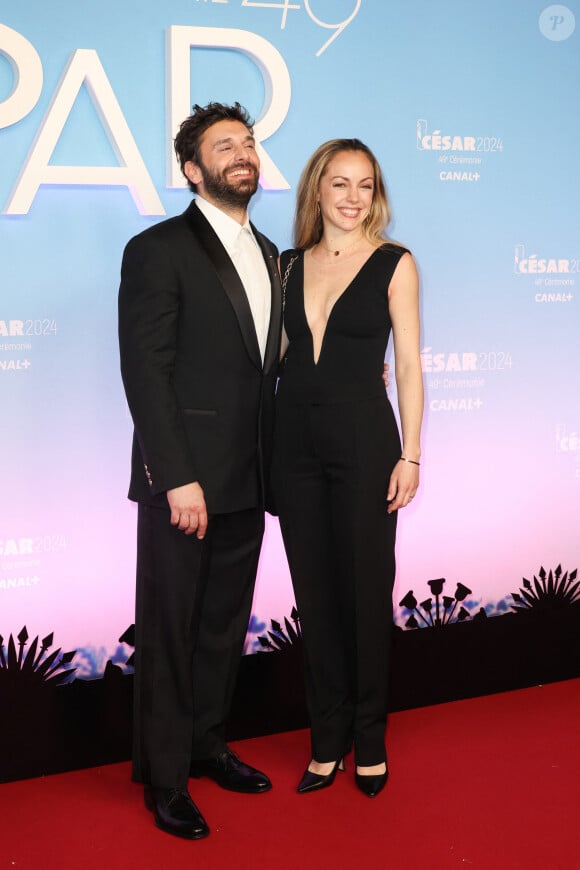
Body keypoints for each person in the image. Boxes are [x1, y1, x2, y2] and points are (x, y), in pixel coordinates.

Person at [118, 102, 282, 839]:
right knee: (171, 628)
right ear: (193, 170)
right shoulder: (157, 248)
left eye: (248, 143)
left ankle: (207, 744)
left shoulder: (275, 252)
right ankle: (164, 778)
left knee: (222, 627)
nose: (242, 154)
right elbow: (145, 370)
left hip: (250, 474)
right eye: (225, 146)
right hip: (183, 481)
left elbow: (263, 362)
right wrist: (174, 475)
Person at [271, 138, 423, 798]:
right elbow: (271, 356)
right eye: (340, 183)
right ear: (317, 190)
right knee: (316, 596)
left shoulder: (395, 263)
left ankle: (368, 739)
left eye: (365, 184)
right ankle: (324, 740)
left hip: (365, 438)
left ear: (376, 194)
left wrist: (411, 453)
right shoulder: (284, 265)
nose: (353, 196)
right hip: (293, 442)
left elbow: (411, 365)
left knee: (364, 591)